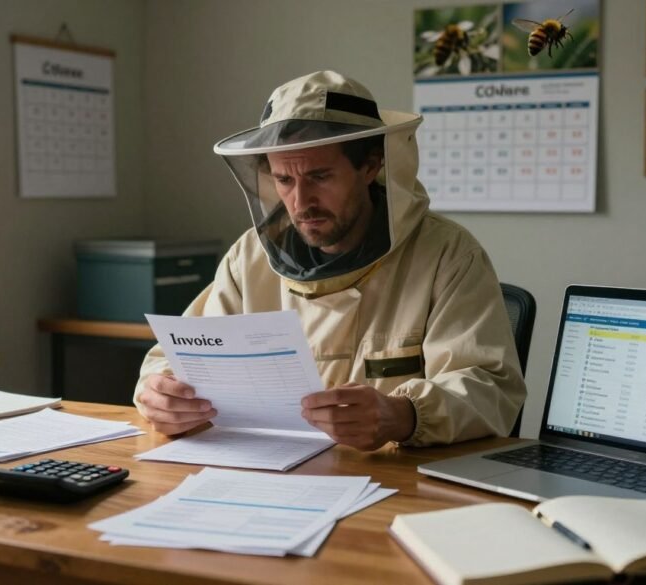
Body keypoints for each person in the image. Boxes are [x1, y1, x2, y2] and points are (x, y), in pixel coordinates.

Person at [133, 71, 526, 450]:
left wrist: (403, 414)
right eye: (284, 180)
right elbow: (174, 360)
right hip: (269, 480)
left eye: (320, 176)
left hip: (396, 486)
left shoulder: (447, 254)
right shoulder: (249, 257)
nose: (300, 203)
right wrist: (161, 394)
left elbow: (490, 388)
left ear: (371, 166)